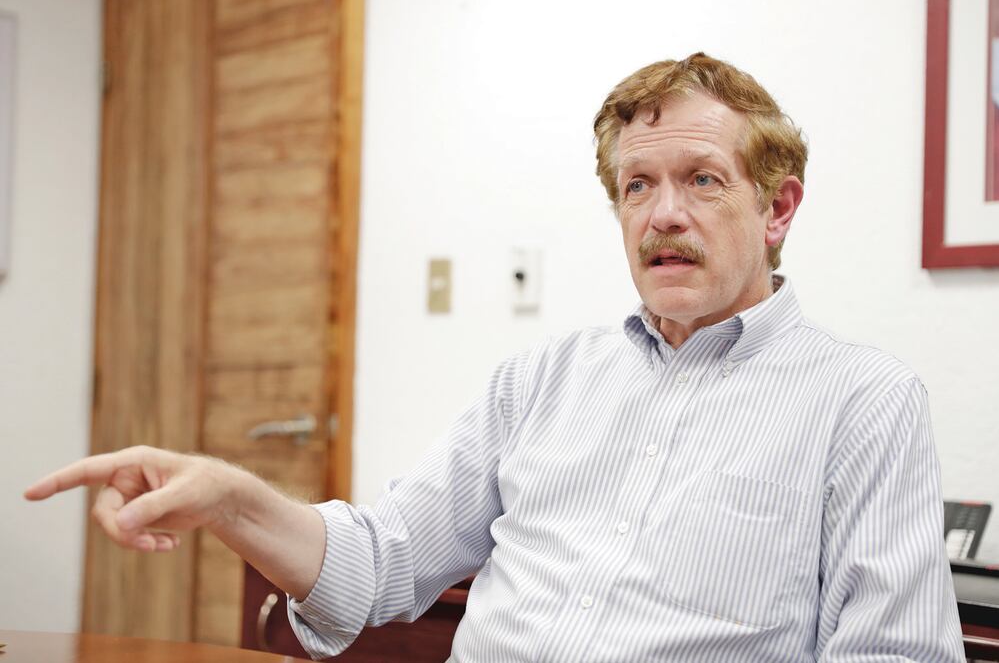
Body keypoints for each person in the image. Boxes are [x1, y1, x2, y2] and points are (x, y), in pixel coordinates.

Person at [25, 52, 964, 661]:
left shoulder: (861, 403)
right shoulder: (540, 382)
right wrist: (230, 496)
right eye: (637, 185)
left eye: (701, 181)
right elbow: (383, 563)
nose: (663, 212)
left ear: (777, 209)